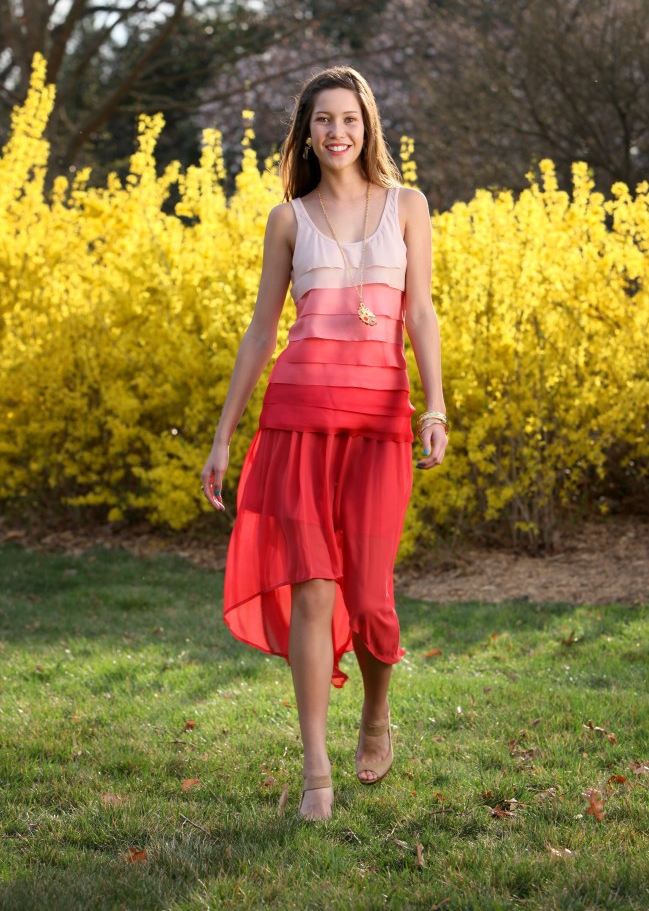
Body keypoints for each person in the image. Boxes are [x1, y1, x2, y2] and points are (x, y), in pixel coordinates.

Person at [200, 66, 448, 821]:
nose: (337, 132)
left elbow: (421, 314)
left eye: (349, 118)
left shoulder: (407, 207)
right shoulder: (288, 220)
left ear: (368, 125)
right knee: (312, 589)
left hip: (378, 424)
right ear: (305, 134)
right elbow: (260, 331)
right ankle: (316, 771)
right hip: (296, 418)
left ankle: (376, 711)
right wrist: (221, 438)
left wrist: (435, 405)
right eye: (323, 121)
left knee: (370, 596)